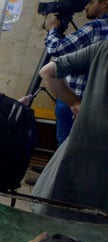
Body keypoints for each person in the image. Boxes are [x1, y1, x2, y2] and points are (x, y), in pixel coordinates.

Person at [32, 41, 108, 222]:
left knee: (54, 229)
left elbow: (47, 72)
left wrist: (75, 103)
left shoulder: (103, 47)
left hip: (78, 155)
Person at [44, 0, 108, 146]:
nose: (85, 6)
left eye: (91, 2)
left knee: (65, 145)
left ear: (104, 3)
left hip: (74, 99)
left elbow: (56, 49)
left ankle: (59, 169)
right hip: (100, 105)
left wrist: (53, 29)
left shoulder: (95, 27)